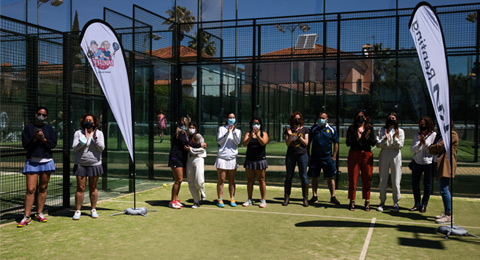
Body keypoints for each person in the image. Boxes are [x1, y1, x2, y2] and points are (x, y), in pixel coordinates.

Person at [18, 106, 58, 227]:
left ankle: (39, 213)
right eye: (39, 114)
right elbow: (25, 144)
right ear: (35, 114)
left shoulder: (49, 129)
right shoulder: (28, 128)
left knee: (43, 188)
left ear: (46, 117)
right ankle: (26, 216)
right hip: (32, 162)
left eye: (44, 115)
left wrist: (44, 139)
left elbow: (53, 144)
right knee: (30, 190)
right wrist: (35, 138)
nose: (41, 116)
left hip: (47, 161)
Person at [72, 114, 105, 220]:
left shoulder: (99, 133)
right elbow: (75, 148)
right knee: (80, 188)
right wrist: (84, 139)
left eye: (90, 120)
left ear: (94, 123)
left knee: (93, 187)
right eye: (86, 120)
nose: (88, 122)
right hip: (81, 164)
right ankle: (78, 210)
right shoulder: (78, 133)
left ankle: (93, 209)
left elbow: (101, 148)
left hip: (95, 164)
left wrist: (95, 139)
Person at [168, 117, 206, 209]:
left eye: (185, 124)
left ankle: (176, 199)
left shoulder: (186, 134)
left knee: (180, 181)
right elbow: (187, 143)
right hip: (176, 159)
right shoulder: (180, 133)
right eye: (182, 124)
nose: (183, 125)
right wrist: (199, 145)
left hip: (182, 159)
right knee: (179, 180)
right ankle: (172, 201)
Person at [346, 109, 376, 211]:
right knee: (353, 179)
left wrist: (367, 138)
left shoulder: (369, 129)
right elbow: (348, 142)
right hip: (354, 154)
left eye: (362, 116)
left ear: (365, 118)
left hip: (366, 155)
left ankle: (367, 201)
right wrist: (357, 139)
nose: (360, 118)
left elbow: (373, 143)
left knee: (367, 178)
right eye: (358, 116)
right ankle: (352, 201)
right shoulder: (351, 129)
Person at [308, 112, 340, 206]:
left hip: (327, 158)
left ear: (327, 119)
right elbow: (308, 143)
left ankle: (333, 197)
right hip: (315, 158)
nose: (321, 119)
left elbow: (336, 144)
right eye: (319, 117)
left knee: (330, 177)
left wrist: (334, 156)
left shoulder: (332, 130)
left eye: (323, 118)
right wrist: (309, 155)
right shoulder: (314, 129)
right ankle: (314, 196)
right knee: (314, 177)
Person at [429, 124, 458, 224]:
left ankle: (449, 214)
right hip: (438, 165)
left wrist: (431, 148)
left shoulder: (452, 135)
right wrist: (432, 147)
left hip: (446, 165)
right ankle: (446, 212)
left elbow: (439, 146)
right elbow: (434, 146)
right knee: (442, 189)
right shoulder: (441, 135)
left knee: (444, 189)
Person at [376, 112, 405, 213]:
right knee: (383, 179)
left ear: (396, 120)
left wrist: (395, 138)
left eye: (393, 118)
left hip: (395, 154)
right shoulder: (382, 130)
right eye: (390, 118)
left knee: (396, 180)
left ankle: (396, 203)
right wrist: (385, 138)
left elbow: (400, 146)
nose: (391, 119)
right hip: (384, 154)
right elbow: (378, 144)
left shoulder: (400, 131)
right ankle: (382, 201)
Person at [410, 116, 436, 213]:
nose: (422, 126)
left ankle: (424, 205)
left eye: (423, 124)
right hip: (417, 162)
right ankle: (417, 204)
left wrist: (425, 144)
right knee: (415, 183)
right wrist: (420, 144)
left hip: (428, 163)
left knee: (427, 184)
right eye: (420, 124)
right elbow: (412, 150)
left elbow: (431, 150)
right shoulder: (417, 135)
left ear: (428, 125)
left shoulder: (433, 135)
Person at [215, 112, 241, 208]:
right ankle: (220, 199)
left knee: (231, 180)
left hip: (232, 158)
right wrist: (227, 132)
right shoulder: (221, 129)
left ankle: (232, 198)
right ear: (227, 119)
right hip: (222, 157)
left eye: (233, 117)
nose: (231, 119)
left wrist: (233, 131)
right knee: (221, 179)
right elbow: (219, 141)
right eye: (230, 117)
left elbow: (237, 142)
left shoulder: (238, 131)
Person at [283, 111, 310, 207]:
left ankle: (305, 198)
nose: (297, 120)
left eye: (299, 119)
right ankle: (286, 197)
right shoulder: (288, 130)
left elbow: (306, 143)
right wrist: (290, 135)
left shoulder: (305, 130)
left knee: (303, 176)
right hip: (291, 155)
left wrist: (299, 136)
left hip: (302, 155)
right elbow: (287, 143)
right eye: (295, 119)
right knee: (289, 176)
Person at [242, 117, 269, 208]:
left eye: (257, 123)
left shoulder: (263, 133)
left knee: (261, 180)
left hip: (260, 160)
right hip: (250, 160)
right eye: (254, 123)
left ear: (260, 125)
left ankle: (263, 200)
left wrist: (257, 135)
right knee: (250, 180)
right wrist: (251, 136)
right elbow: (244, 143)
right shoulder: (248, 133)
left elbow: (264, 143)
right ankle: (249, 199)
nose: (256, 125)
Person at [185, 122, 207, 209]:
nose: (191, 129)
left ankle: (202, 191)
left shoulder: (198, 136)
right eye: (190, 127)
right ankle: (196, 201)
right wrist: (191, 150)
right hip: (189, 160)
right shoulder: (186, 137)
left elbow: (202, 149)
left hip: (198, 159)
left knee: (199, 180)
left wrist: (191, 149)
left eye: (193, 127)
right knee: (191, 182)